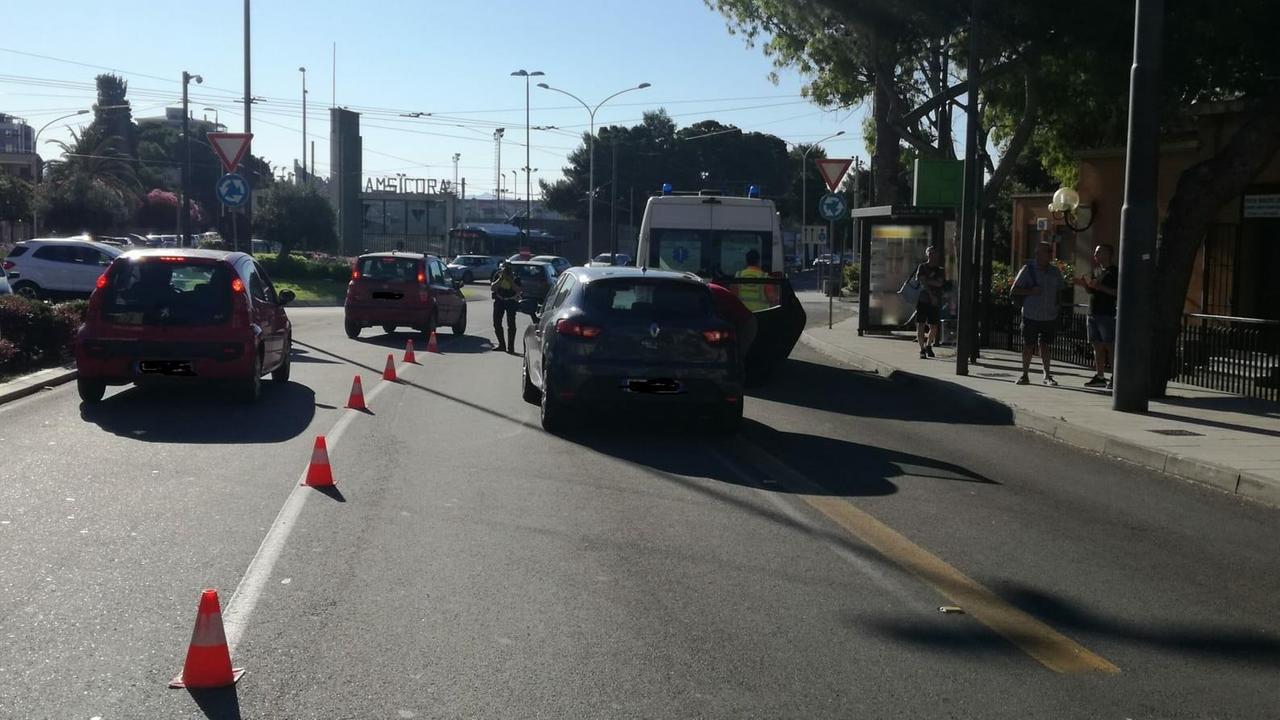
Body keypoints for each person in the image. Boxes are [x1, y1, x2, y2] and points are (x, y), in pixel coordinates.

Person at [1011, 242, 1066, 385]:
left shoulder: (1055, 271)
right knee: (1029, 345)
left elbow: (1060, 290)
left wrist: (1058, 305)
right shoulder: (1027, 270)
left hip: (1050, 315)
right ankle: (1024, 374)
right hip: (1031, 315)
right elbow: (1014, 291)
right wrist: (1030, 291)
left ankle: (1047, 375)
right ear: (1038, 254)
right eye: (1046, 251)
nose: (1050, 254)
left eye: (1050, 251)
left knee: (1046, 345)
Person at [1075, 243, 1118, 388]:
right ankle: (1100, 376)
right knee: (1097, 345)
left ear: (1107, 254)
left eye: (1098, 252)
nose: (1095, 254)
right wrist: (1085, 285)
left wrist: (1100, 287)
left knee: (1110, 346)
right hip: (1093, 312)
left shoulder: (1114, 272)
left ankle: (1115, 376)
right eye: (1095, 252)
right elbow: (1092, 292)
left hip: (1107, 313)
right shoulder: (1096, 271)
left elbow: (1117, 293)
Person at [709, 281, 757, 357]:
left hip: (745, 323)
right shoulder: (705, 290)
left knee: (736, 355)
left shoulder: (708, 293)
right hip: (739, 319)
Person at [913, 246, 945, 359]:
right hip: (923, 300)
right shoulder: (922, 267)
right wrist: (931, 287)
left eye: (934, 254)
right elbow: (921, 281)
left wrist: (927, 281)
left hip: (934, 302)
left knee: (934, 326)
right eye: (930, 253)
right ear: (927, 255)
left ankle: (929, 345)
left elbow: (939, 283)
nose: (932, 256)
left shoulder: (940, 270)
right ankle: (922, 349)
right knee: (921, 324)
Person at [490, 262, 521, 354]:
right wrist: (501, 278)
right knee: (496, 323)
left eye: (508, 269)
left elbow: (518, 290)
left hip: (511, 301)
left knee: (511, 324)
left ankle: (511, 347)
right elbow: (492, 288)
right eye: (504, 268)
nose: (506, 270)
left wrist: (510, 280)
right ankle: (501, 345)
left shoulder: (515, 277)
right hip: (499, 300)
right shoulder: (498, 275)